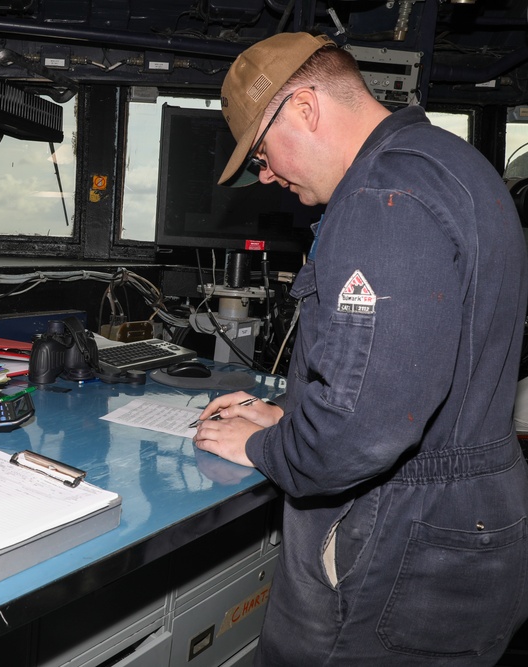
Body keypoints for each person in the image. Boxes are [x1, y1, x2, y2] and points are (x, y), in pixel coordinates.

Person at [194, 32, 528, 665]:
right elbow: (417, 376)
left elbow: (361, 434)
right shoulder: (446, 162)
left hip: (401, 533)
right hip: (465, 520)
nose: (266, 176)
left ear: (304, 108)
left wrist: (264, 444)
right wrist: (293, 416)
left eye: (262, 153)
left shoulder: (381, 199)